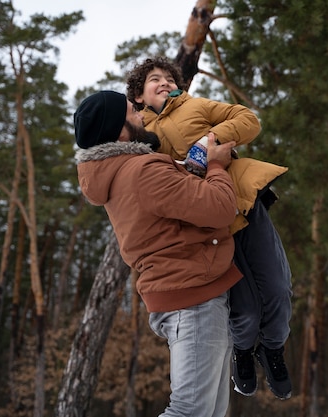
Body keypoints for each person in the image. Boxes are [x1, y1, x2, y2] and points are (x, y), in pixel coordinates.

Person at [126, 57, 293, 399]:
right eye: (153, 79)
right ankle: (243, 351)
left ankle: (273, 350)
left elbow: (247, 119)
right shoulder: (139, 130)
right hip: (204, 225)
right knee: (243, 307)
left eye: (168, 78)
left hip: (243, 202)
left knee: (277, 288)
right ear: (139, 96)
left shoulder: (196, 105)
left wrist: (210, 139)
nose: (163, 82)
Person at [73, 90, 242, 417]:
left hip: (187, 295)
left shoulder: (119, 174)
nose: (141, 113)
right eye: (132, 111)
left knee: (208, 412)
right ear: (120, 130)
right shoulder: (143, 171)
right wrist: (218, 166)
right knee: (190, 411)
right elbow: (220, 209)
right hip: (191, 298)